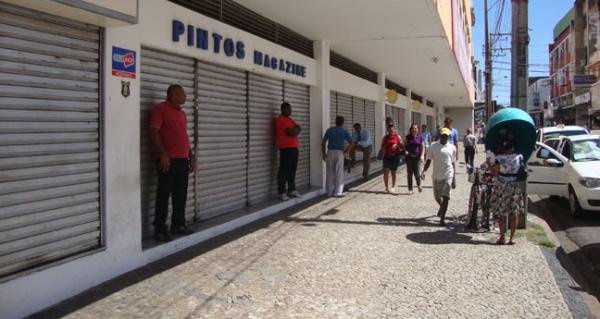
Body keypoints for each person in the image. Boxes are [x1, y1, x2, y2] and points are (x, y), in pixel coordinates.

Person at [149, 84, 196, 242]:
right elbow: (153, 131)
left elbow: (184, 136)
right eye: (183, 93)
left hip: (182, 160)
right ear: (174, 94)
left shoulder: (182, 114)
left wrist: (191, 156)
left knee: (180, 194)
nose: (185, 96)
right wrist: (162, 153)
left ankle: (178, 224)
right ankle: (160, 229)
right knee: (164, 194)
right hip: (167, 160)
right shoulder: (160, 109)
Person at [489, 140, 525, 245]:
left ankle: (502, 237)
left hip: (502, 186)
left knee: (502, 213)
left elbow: (495, 173)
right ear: (512, 148)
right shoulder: (520, 157)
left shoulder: (499, 158)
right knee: (514, 213)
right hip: (514, 186)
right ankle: (512, 238)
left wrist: (488, 163)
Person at [420, 128, 456, 226]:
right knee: (437, 197)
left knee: (446, 196)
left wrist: (454, 179)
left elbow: (453, 163)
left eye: (446, 136)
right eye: (443, 135)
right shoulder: (433, 146)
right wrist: (424, 171)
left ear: (449, 137)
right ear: (440, 136)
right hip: (436, 175)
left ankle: (442, 218)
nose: (444, 137)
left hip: (448, 174)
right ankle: (441, 206)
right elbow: (428, 160)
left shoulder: (452, 147)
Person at [322, 116, 355, 197]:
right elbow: (352, 142)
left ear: (335, 121)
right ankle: (338, 192)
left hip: (330, 152)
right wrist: (347, 151)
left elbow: (323, 142)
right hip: (339, 152)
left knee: (329, 172)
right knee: (339, 172)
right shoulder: (344, 131)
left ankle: (328, 192)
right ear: (343, 122)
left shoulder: (329, 130)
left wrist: (323, 153)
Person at [275, 102, 302, 201]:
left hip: (294, 148)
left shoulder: (289, 120)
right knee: (284, 170)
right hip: (286, 148)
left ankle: (291, 189)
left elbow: (298, 128)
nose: (291, 111)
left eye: (291, 109)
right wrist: (295, 130)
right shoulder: (281, 120)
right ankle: (281, 192)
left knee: (292, 170)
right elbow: (293, 132)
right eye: (289, 109)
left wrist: (296, 130)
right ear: (283, 109)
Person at [381, 124, 404, 194]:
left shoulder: (398, 137)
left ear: (394, 130)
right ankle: (386, 188)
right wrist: (383, 149)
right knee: (385, 173)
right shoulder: (385, 137)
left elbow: (402, 146)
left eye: (392, 130)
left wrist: (397, 145)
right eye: (389, 130)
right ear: (387, 130)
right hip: (387, 157)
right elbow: (382, 146)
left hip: (395, 157)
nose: (391, 131)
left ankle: (393, 187)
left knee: (393, 172)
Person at [405, 124, 425, 194]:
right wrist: (405, 151)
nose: (414, 129)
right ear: (411, 129)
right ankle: (410, 189)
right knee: (409, 174)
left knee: (417, 173)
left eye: (415, 128)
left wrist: (422, 155)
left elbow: (423, 147)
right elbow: (404, 146)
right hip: (409, 158)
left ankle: (419, 184)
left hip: (417, 158)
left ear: (418, 129)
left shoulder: (420, 137)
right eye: (413, 128)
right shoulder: (408, 137)